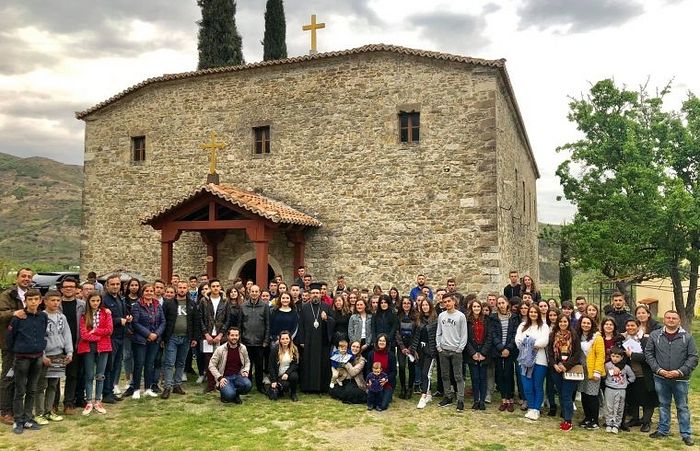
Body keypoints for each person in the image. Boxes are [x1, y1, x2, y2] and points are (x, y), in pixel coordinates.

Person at [645, 310, 698, 446]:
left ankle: (686, 434)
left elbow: (693, 357)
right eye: (668, 317)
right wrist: (659, 370)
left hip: (680, 379)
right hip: (660, 377)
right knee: (663, 405)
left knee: (682, 407)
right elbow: (649, 354)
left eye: (674, 318)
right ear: (664, 320)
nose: (671, 320)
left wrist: (679, 372)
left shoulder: (687, 337)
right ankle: (663, 430)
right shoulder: (655, 335)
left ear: (679, 321)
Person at [6, 289, 46, 434]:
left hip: (38, 357)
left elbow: (43, 334)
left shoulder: (43, 317)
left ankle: (28, 419)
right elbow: (10, 338)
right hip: (22, 358)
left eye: (36, 299)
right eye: (30, 299)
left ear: (40, 300)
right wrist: (16, 352)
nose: (33, 302)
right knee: (20, 390)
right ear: (26, 301)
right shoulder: (18, 317)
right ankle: (18, 420)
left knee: (32, 389)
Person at [0, 267, 33, 425]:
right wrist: (14, 313)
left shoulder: (32, 294)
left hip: (27, 344)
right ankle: (5, 411)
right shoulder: (7, 294)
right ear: (17, 278)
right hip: (10, 343)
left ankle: (17, 409)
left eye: (29, 277)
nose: (26, 279)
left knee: (22, 377)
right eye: (24, 276)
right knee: (8, 376)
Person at [34, 291, 72, 424]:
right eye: (52, 300)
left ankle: (49, 411)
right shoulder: (40, 316)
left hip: (58, 354)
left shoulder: (62, 317)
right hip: (44, 355)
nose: (55, 303)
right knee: (40, 386)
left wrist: (69, 352)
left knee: (53, 385)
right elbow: (38, 337)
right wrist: (42, 355)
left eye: (58, 300)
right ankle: (38, 413)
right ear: (45, 301)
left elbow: (67, 334)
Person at [123, 283, 165, 399]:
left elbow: (163, 322)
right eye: (147, 291)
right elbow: (135, 323)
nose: (149, 293)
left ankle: (148, 388)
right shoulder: (137, 305)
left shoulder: (157, 305)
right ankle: (136, 389)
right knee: (139, 364)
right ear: (143, 292)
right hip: (140, 340)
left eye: (151, 291)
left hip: (154, 340)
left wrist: (156, 334)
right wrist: (148, 334)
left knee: (149, 364)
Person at [77, 293, 113, 416]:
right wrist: (97, 338)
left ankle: (98, 400)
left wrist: (95, 331)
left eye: (98, 300)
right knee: (89, 374)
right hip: (88, 347)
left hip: (104, 347)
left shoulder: (106, 313)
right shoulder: (84, 315)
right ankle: (89, 401)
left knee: (100, 374)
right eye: (93, 300)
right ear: (89, 301)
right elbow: (84, 334)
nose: (95, 303)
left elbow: (109, 330)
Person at [160, 281, 196, 399]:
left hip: (186, 337)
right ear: (177, 289)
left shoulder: (192, 304)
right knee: (169, 363)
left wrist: (194, 337)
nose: (182, 289)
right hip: (172, 337)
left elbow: (195, 321)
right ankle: (167, 387)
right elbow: (163, 321)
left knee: (181, 362)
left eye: (184, 288)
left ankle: (177, 385)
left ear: (187, 289)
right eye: (180, 287)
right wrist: (163, 338)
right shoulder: (169, 303)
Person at [546, 314, 581, 431]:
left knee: (566, 394)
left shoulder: (574, 336)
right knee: (561, 393)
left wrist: (565, 365)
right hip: (556, 370)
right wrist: (555, 365)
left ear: (568, 322)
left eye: (565, 321)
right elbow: (549, 353)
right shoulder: (553, 335)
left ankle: (568, 420)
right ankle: (565, 413)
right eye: (560, 322)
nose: (563, 324)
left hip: (569, 369)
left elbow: (577, 354)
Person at [298, 284, 335, 393]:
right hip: (308, 340)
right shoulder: (304, 307)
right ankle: (308, 387)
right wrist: (301, 340)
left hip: (322, 340)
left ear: (320, 294)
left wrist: (327, 318)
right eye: (313, 293)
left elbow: (333, 322)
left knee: (322, 363)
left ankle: (322, 387)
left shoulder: (326, 306)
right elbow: (301, 324)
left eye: (317, 293)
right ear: (310, 295)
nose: (315, 295)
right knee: (308, 363)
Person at [622, 318, 658, 432]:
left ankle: (646, 422)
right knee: (633, 399)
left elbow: (649, 357)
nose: (630, 328)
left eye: (632, 325)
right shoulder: (624, 340)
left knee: (647, 400)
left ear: (638, 327)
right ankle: (635, 419)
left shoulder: (645, 340)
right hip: (631, 375)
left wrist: (632, 355)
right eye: (628, 326)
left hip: (644, 374)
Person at [515, 305, 550, 420]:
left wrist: (529, 343)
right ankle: (530, 407)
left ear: (539, 314)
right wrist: (530, 344)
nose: (533, 314)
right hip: (525, 361)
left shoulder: (544, 327)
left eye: (536, 312)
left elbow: (544, 341)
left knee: (537, 385)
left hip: (540, 361)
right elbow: (518, 340)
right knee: (527, 386)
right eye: (531, 312)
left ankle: (536, 409)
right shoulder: (523, 326)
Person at [101, 274, 131, 404]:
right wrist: (119, 321)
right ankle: (106, 393)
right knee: (109, 366)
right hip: (110, 338)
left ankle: (111, 391)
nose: (115, 286)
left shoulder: (120, 298)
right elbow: (102, 320)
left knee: (116, 366)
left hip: (120, 336)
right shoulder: (103, 300)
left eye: (117, 284)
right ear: (107, 285)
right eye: (112, 284)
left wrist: (127, 318)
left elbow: (122, 314)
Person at [436, 293, 468, 411]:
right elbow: (439, 332)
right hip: (443, 350)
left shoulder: (460, 316)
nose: (447, 304)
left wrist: (460, 348)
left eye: (449, 301)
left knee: (458, 376)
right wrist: (439, 346)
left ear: (454, 302)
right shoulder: (441, 316)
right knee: (445, 375)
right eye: (445, 302)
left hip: (456, 350)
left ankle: (460, 400)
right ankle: (448, 396)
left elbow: (464, 334)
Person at [58, 277, 86, 415]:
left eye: (72, 286)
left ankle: (69, 403)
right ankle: (53, 403)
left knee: (72, 375)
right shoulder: (55, 304)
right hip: (57, 346)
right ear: (61, 289)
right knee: (55, 376)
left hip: (75, 344)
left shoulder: (82, 305)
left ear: (76, 289)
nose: (69, 288)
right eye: (66, 286)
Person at [200, 280, 230, 393]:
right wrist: (206, 334)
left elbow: (228, 319)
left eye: (218, 286)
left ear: (220, 287)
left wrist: (221, 334)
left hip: (220, 334)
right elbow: (200, 318)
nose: (216, 288)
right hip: (207, 334)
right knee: (209, 360)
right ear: (210, 288)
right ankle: (210, 384)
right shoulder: (203, 301)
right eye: (213, 286)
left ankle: (220, 383)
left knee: (221, 359)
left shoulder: (225, 301)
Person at [491, 295, 519, 413]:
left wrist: (508, 348)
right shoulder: (493, 318)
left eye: (503, 303)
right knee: (500, 375)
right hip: (498, 350)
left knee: (508, 375)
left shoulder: (514, 317)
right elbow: (493, 334)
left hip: (510, 351)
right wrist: (501, 348)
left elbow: (515, 334)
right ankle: (503, 399)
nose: (501, 305)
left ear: (507, 303)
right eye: (499, 303)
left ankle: (510, 399)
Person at [208, 327, 252, 404]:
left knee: (248, 385)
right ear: (228, 336)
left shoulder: (243, 348)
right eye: (232, 335)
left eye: (236, 335)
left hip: (238, 375)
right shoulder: (220, 349)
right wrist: (219, 378)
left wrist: (245, 371)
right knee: (229, 395)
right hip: (225, 377)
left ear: (239, 336)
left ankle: (235, 394)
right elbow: (211, 365)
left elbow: (247, 362)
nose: (234, 337)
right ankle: (226, 393)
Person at [240, 284, 270, 394]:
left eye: (256, 291)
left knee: (258, 365)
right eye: (252, 291)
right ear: (249, 292)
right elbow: (239, 324)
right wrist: (240, 340)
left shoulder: (265, 306)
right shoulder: (243, 306)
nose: (254, 293)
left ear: (259, 293)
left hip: (259, 342)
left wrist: (266, 340)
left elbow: (268, 324)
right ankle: (247, 385)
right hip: (246, 341)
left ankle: (259, 385)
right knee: (247, 365)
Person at [577, 315, 604, 429]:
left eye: (588, 323)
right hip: (582, 370)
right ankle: (587, 417)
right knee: (584, 394)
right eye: (584, 323)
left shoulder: (597, 337)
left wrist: (597, 371)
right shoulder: (578, 336)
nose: (585, 325)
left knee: (592, 395)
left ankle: (595, 420)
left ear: (592, 324)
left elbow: (600, 356)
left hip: (593, 370)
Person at [412, 297, 438, 409]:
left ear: (430, 306)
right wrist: (414, 349)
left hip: (430, 350)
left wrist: (434, 351)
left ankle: (423, 397)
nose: (425, 307)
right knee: (423, 372)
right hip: (420, 350)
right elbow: (416, 336)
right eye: (423, 305)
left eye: (427, 305)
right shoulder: (419, 319)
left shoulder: (435, 320)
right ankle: (428, 393)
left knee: (425, 373)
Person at [466, 301, 492, 410]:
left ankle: (482, 401)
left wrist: (483, 353)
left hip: (484, 352)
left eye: (478, 306)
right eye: (474, 306)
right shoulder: (467, 321)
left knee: (483, 377)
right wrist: (473, 353)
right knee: (475, 377)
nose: (476, 308)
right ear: (471, 308)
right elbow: (465, 338)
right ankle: (476, 400)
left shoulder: (487, 320)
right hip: (472, 352)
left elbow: (489, 337)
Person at [604, 347, 636, 434]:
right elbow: (604, 375)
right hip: (609, 389)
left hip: (621, 390)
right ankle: (608, 423)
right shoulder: (607, 365)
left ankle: (616, 425)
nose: (615, 358)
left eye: (617, 356)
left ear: (622, 357)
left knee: (619, 407)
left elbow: (632, 377)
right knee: (609, 407)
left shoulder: (626, 367)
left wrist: (626, 383)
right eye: (613, 356)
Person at [365, 334, 396, 410]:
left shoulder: (391, 355)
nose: (382, 342)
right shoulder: (371, 354)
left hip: (386, 384)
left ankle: (388, 395)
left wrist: (386, 379)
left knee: (382, 406)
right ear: (377, 342)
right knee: (373, 404)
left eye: (384, 341)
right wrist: (369, 381)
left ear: (386, 343)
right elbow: (368, 370)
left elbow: (394, 372)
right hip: (374, 383)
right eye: (380, 340)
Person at [268, 330, 299, 401]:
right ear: (280, 340)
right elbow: (271, 367)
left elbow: (295, 364)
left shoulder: (294, 349)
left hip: (288, 373)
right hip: (278, 375)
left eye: (287, 338)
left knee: (294, 376)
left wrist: (287, 373)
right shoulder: (274, 350)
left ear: (290, 339)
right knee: (284, 386)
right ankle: (278, 388)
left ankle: (293, 394)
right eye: (283, 339)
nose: (285, 341)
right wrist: (273, 380)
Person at [395, 296, 416, 400]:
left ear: (411, 304)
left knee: (412, 367)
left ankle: (410, 388)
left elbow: (416, 332)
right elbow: (397, 332)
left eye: (408, 303)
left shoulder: (416, 316)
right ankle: (403, 387)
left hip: (412, 345)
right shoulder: (398, 316)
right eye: (404, 303)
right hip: (401, 346)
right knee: (402, 367)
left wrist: (411, 347)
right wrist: (402, 347)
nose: (406, 305)